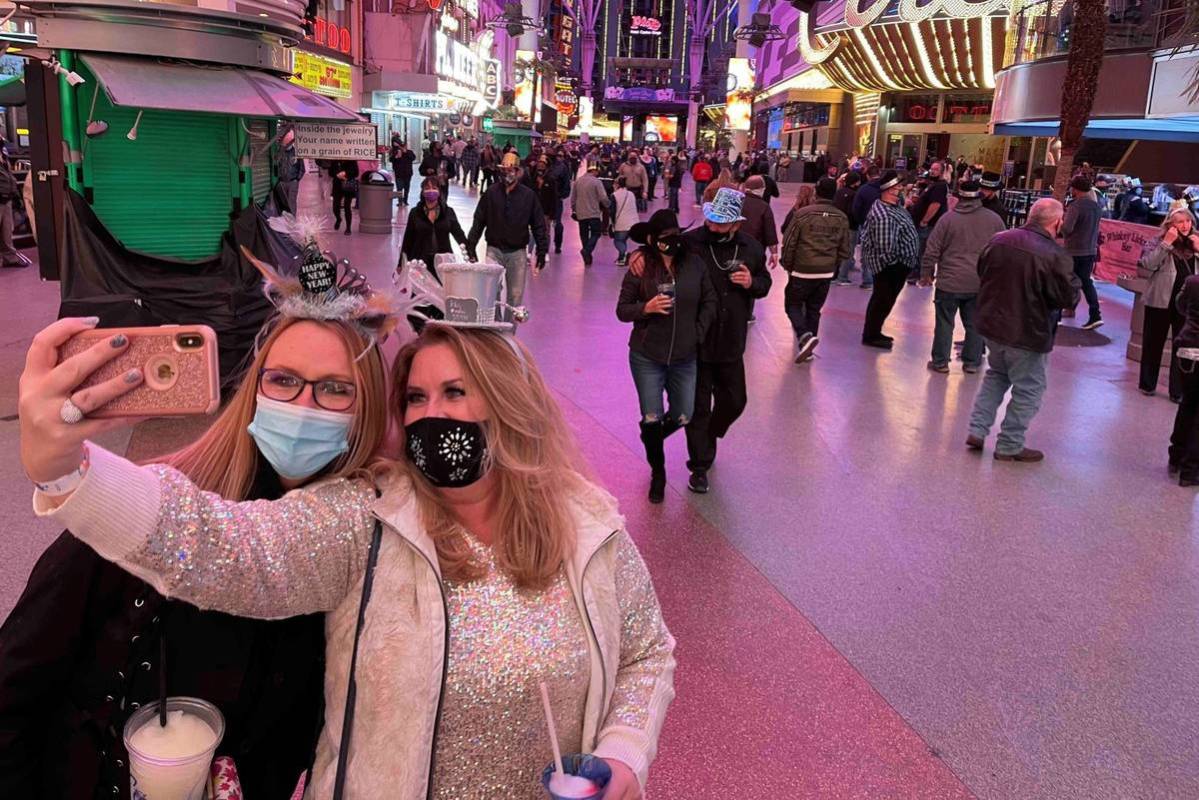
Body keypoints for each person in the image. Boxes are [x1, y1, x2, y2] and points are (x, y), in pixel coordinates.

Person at [20, 314, 676, 798]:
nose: (430, 416)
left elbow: (646, 651)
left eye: (455, 393)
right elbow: (227, 548)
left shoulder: (587, 528)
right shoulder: (368, 517)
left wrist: (622, 754)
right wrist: (69, 473)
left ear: (510, 402)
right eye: (415, 399)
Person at [0, 245, 391, 798]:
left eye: (335, 388)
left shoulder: (365, 544)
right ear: (254, 389)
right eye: (283, 381)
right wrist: (66, 473)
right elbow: (15, 690)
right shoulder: (143, 511)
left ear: (367, 407)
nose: (303, 405)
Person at [670, 189, 770, 493]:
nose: (712, 227)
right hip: (696, 340)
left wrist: (751, 282)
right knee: (697, 407)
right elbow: (657, 255)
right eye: (710, 221)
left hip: (730, 339)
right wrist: (637, 257)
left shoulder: (751, 248)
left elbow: (765, 282)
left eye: (720, 224)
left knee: (735, 400)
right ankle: (699, 466)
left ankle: (711, 432)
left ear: (736, 224)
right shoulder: (690, 243)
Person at [966, 198, 1081, 462]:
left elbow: (982, 271)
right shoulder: (1055, 255)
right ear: (1057, 222)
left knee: (996, 375)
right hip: (1029, 330)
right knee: (1029, 388)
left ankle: (977, 429)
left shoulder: (999, 240)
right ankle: (1009, 444)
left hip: (992, 324)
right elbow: (1067, 297)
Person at [616, 209, 716, 503]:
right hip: (647, 355)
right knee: (651, 415)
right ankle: (658, 472)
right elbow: (622, 310)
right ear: (651, 240)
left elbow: (709, 299)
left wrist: (697, 332)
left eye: (675, 236)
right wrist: (645, 308)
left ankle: (650, 436)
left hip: (685, 356)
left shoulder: (694, 264)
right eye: (664, 238)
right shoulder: (641, 266)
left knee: (684, 414)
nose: (671, 242)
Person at [919, 178, 1006, 374]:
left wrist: (926, 273)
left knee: (944, 323)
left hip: (949, 282)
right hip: (978, 282)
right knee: (974, 324)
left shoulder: (947, 220)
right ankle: (972, 362)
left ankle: (940, 362)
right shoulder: (994, 220)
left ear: (958, 197)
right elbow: (1002, 250)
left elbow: (931, 250)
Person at [780, 177, 851, 364]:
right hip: (825, 272)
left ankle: (804, 336)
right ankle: (808, 349)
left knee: (792, 305)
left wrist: (788, 264)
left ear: (816, 192)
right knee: (814, 309)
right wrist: (835, 266)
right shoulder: (841, 217)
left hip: (802, 270)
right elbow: (845, 248)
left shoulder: (802, 214)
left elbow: (789, 242)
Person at [466, 152, 548, 311]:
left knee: (515, 298)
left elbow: (538, 225)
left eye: (511, 170)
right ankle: (495, 328)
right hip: (493, 249)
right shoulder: (491, 193)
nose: (507, 174)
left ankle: (509, 331)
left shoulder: (528, 196)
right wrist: (471, 245)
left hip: (517, 252)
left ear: (518, 172)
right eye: (504, 171)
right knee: (490, 294)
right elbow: (479, 220)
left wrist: (542, 251)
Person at [1137, 205, 1199, 400]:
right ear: (1170, 224)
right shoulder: (1158, 241)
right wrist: (1167, 243)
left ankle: (1177, 390)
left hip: (1187, 304)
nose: (1185, 225)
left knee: (1181, 347)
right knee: (1153, 342)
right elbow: (1148, 264)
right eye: (1180, 221)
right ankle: (1147, 384)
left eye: (1188, 221)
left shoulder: (1195, 242)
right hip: (1160, 300)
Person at [859, 170, 920, 349]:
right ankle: (871, 335)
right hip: (890, 268)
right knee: (882, 300)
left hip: (895, 267)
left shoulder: (893, 207)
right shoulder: (883, 214)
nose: (901, 189)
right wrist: (895, 266)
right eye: (898, 186)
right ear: (889, 189)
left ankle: (874, 332)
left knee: (883, 300)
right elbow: (886, 246)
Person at [401, 178, 470, 280]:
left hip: (443, 262)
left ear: (439, 191)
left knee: (443, 292)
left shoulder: (448, 212)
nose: (431, 190)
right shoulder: (415, 213)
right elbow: (408, 239)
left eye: (434, 187)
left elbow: (459, 234)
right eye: (427, 188)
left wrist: (471, 254)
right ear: (422, 192)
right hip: (420, 262)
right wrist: (400, 264)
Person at [1061, 174, 1104, 330]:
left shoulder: (1076, 206)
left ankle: (1063, 310)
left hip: (1074, 250)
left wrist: (1060, 225)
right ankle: (1095, 314)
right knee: (1086, 282)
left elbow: (1067, 229)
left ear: (1075, 189)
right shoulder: (1096, 206)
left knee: (1066, 280)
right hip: (1090, 249)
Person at [1169, 270, 1199, 485]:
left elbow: (1180, 306)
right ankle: (1191, 471)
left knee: (1187, 403)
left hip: (1187, 348)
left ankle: (1176, 456)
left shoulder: (1192, 282)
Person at [910, 161, 949, 276]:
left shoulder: (940, 186)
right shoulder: (932, 184)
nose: (932, 171)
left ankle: (922, 274)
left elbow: (935, 205)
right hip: (923, 223)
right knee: (920, 249)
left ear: (942, 171)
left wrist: (924, 221)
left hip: (928, 225)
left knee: (923, 250)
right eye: (932, 168)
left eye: (936, 169)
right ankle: (919, 272)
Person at [570, 159, 609, 268]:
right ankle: (586, 251)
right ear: (595, 171)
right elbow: (603, 197)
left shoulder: (578, 181)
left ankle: (588, 257)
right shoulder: (597, 182)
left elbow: (573, 198)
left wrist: (574, 209)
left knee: (584, 235)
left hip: (581, 213)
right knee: (596, 233)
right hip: (593, 213)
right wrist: (608, 205)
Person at [851, 165, 883, 289]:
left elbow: (856, 208)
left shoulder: (863, 190)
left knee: (867, 253)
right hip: (885, 226)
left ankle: (868, 281)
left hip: (867, 225)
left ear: (868, 176)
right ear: (879, 173)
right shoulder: (887, 188)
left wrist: (861, 221)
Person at [740, 175, 779, 270]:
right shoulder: (764, 206)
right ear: (761, 189)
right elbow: (770, 232)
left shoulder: (736, 202)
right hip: (756, 249)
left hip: (733, 248)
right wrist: (774, 253)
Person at [833, 170, 862, 285]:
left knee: (838, 250)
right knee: (848, 251)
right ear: (856, 182)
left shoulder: (839, 192)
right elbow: (853, 211)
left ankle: (834, 275)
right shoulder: (854, 195)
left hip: (838, 226)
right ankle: (842, 277)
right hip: (851, 226)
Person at [610, 176, 640, 267]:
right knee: (624, 240)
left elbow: (613, 211)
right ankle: (621, 259)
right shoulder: (631, 194)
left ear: (617, 184)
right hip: (633, 222)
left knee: (618, 241)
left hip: (622, 222)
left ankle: (625, 254)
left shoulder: (614, 195)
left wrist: (612, 223)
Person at [328, 158, 359, 236]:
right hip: (337, 185)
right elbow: (330, 172)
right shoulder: (335, 160)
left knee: (347, 206)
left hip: (348, 185)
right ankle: (338, 218)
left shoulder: (352, 160)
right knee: (335, 206)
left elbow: (356, 173)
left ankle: (348, 228)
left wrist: (346, 173)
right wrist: (337, 174)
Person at [390, 138, 417, 205]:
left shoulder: (409, 152)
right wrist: (396, 157)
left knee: (406, 187)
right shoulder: (395, 152)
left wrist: (406, 152)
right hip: (398, 173)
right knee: (399, 188)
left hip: (407, 173)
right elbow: (391, 159)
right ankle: (400, 201)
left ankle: (405, 200)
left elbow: (413, 158)